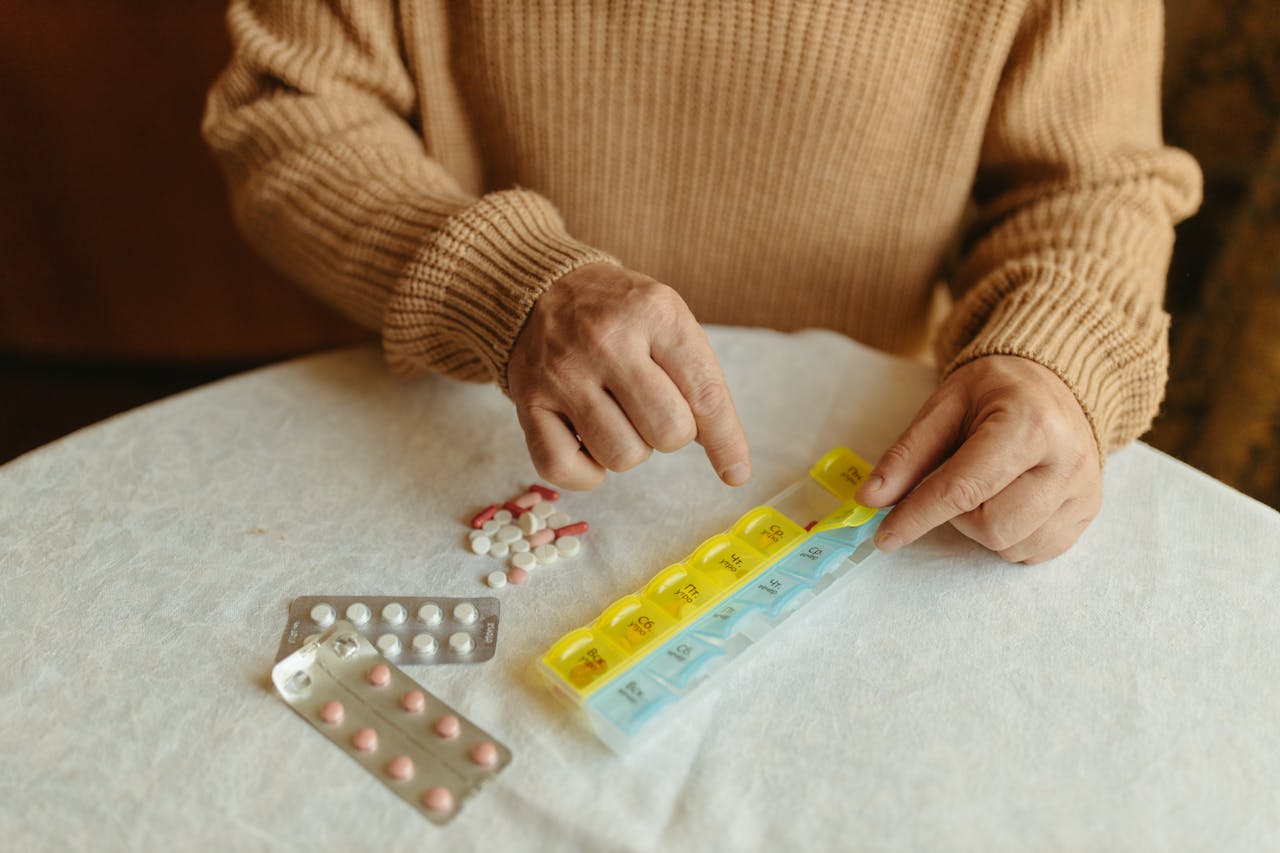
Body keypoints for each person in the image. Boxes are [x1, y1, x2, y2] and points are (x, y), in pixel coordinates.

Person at [203, 1, 1201, 564]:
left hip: (863, 445)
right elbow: (292, 108)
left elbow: (1087, 181)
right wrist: (503, 284)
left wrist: (1054, 361)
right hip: (467, 422)